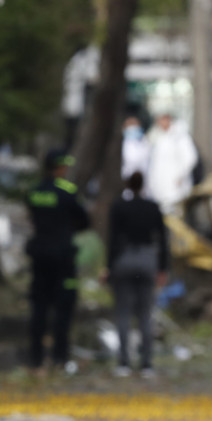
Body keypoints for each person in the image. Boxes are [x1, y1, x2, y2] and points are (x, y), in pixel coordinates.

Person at [25, 149, 91, 375]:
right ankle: (59, 358)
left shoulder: (34, 192)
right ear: (60, 168)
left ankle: (35, 360)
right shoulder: (67, 192)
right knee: (64, 307)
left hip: (39, 255)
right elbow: (84, 220)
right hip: (62, 257)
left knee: (39, 307)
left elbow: (33, 217)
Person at [104, 171, 169, 378]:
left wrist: (108, 266)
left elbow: (112, 238)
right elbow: (163, 239)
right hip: (147, 261)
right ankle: (146, 364)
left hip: (124, 260)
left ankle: (123, 362)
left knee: (123, 313)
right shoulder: (153, 207)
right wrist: (162, 268)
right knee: (145, 314)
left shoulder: (119, 207)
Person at [146, 113, 198, 214]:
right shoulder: (158, 137)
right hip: (160, 189)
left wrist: (180, 176)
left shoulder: (180, 137)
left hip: (176, 189)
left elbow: (190, 158)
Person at [121, 116, 150, 182]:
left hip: (143, 180)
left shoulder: (145, 142)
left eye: (136, 126)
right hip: (127, 179)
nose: (134, 130)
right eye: (131, 126)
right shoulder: (122, 144)